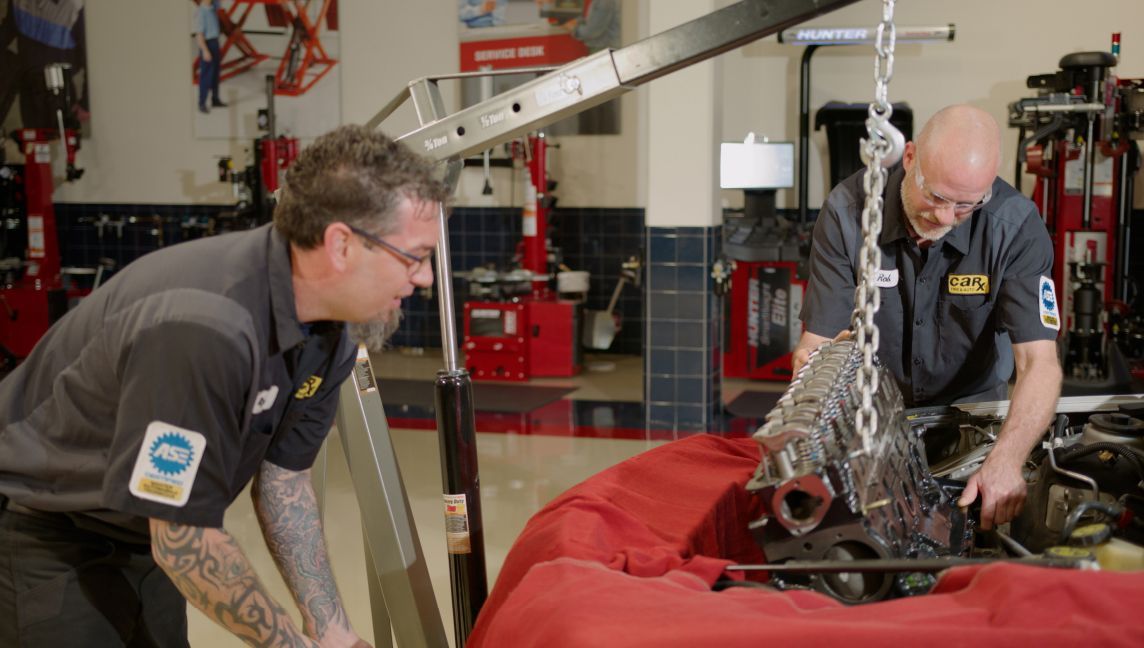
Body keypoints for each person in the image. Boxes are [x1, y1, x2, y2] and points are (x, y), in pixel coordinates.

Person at [0, 125, 447, 646]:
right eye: (414, 256)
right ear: (341, 245)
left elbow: (284, 482)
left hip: (144, 532)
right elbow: (185, 541)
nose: (425, 278)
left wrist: (333, 633)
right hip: (44, 530)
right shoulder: (204, 329)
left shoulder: (334, 331)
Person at [793, 104, 1063, 531]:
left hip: (971, 422)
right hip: (872, 419)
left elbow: (1039, 363)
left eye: (966, 206)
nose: (944, 218)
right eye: (935, 196)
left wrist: (1007, 460)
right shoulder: (848, 212)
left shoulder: (1014, 226)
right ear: (910, 157)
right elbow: (818, 346)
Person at [193, 0, 225, 114]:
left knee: (216, 74)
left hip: (215, 43)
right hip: (208, 44)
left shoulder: (212, 6)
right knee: (206, 76)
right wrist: (205, 51)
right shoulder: (201, 12)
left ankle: (215, 99)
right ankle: (202, 103)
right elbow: (199, 35)